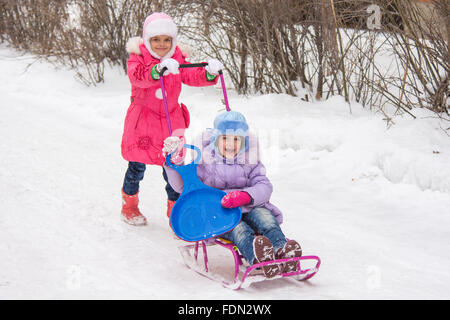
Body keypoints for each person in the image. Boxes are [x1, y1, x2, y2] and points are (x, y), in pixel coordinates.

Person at [163, 111, 303, 278]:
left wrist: (246, 196)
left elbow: (264, 185)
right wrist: (173, 164)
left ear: (244, 142)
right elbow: (182, 187)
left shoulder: (250, 160)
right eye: (225, 138)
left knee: (267, 220)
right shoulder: (204, 162)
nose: (231, 144)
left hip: (249, 205)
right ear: (216, 140)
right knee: (240, 230)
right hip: (221, 213)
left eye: (237, 139)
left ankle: (282, 251)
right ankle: (258, 256)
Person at [120, 12, 224, 226]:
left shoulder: (177, 56)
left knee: (174, 170)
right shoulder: (137, 56)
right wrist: (157, 70)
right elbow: (137, 76)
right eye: (156, 39)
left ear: (173, 40)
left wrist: (209, 74)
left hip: (170, 123)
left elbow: (190, 75)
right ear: (147, 40)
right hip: (143, 123)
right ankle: (129, 206)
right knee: (136, 167)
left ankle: (175, 212)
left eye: (166, 39)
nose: (161, 44)